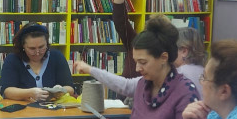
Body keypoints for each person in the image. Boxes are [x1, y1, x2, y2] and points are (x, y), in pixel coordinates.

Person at [95, 15, 199, 119]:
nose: (137, 68)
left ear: (164, 58)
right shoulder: (143, 85)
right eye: (136, 62)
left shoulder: (185, 92)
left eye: (143, 62)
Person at [74, 25, 206, 98]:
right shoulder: (203, 72)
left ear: (184, 51)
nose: (138, 68)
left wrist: (90, 69)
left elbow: (126, 86)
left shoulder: (179, 77)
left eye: (143, 62)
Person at [0, 23, 75, 102]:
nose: (37, 52)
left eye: (41, 47)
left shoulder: (57, 56)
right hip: (24, 108)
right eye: (32, 48)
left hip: (53, 108)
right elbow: (6, 91)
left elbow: (70, 88)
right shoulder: (13, 59)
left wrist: (60, 90)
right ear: (23, 46)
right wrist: (30, 93)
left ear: (47, 44)